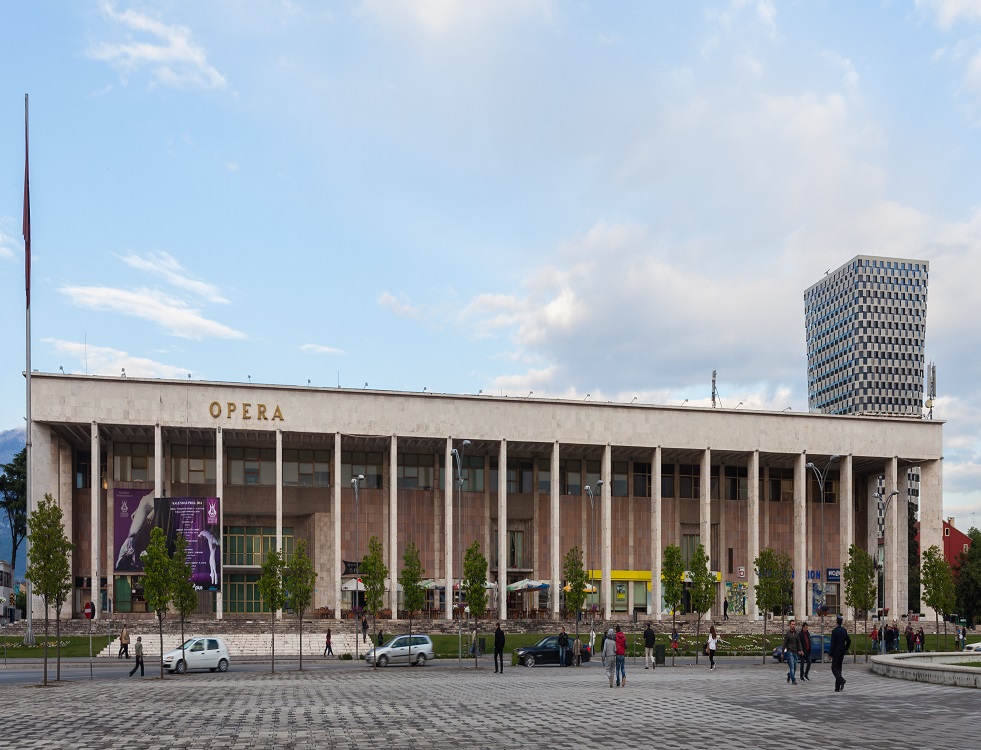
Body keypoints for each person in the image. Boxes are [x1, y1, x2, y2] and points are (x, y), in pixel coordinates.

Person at [830, 613, 851, 692]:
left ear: (836, 621)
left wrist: (831, 654)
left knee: (834, 668)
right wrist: (845, 649)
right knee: (839, 668)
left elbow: (833, 644)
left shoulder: (834, 631)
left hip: (836, 652)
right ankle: (837, 688)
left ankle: (842, 680)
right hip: (842, 652)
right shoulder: (844, 631)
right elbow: (849, 641)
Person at [782, 620, 801, 685]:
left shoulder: (796, 634)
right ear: (789, 625)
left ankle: (789, 675)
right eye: (792, 624)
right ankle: (793, 680)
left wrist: (800, 650)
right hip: (790, 652)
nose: (793, 625)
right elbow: (784, 644)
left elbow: (799, 642)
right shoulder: (788, 634)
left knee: (795, 667)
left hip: (795, 652)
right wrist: (782, 652)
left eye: (794, 624)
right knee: (792, 667)